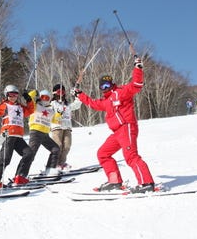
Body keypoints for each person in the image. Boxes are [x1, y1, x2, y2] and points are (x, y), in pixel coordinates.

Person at [72, 57, 155, 193]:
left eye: (107, 85)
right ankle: (114, 181)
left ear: (112, 84)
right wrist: (79, 95)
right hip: (117, 133)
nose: (105, 88)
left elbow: (137, 85)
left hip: (127, 127)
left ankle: (147, 183)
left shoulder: (121, 92)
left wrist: (137, 68)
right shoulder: (106, 101)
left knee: (131, 156)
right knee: (103, 154)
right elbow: (93, 103)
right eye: (102, 87)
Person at [0, 85, 34, 188]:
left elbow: (31, 110)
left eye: (15, 95)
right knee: (5, 159)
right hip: (8, 135)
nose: (13, 97)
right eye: (10, 95)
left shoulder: (21, 107)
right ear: (6, 95)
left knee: (29, 153)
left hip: (18, 137)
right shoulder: (4, 105)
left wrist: (28, 99)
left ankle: (20, 176)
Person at [28, 89, 61, 175]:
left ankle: (50, 169)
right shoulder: (35, 106)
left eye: (47, 98)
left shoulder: (50, 110)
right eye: (43, 97)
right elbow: (29, 98)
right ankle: (21, 173)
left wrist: (59, 113)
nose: (45, 99)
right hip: (35, 132)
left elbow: (56, 120)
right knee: (31, 154)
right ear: (40, 97)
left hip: (45, 134)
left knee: (55, 149)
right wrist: (34, 93)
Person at [50, 84, 82, 170]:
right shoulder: (52, 104)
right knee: (58, 145)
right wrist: (57, 112)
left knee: (67, 146)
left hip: (67, 127)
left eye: (63, 92)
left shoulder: (67, 105)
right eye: (59, 92)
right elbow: (48, 114)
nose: (61, 94)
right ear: (54, 93)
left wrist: (77, 95)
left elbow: (77, 105)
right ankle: (54, 164)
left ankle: (61, 163)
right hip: (57, 127)